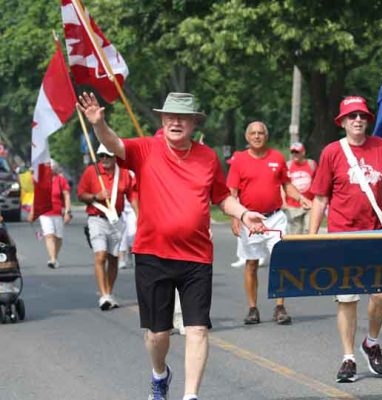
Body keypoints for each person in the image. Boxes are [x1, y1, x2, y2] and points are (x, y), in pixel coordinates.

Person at [77, 91, 266, 400]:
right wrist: (99, 123)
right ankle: (160, 373)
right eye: (170, 117)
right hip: (153, 255)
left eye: (182, 118)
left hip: (196, 257)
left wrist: (244, 214)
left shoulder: (207, 157)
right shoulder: (146, 149)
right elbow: (114, 145)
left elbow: (221, 196)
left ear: (193, 123)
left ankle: (190, 396)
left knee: (197, 329)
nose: (175, 122)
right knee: (157, 335)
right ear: (162, 120)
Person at [308, 96, 382, 383]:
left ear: (367, 121)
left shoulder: (380, 147)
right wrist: (309, 239)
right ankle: (348, 357)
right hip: (343, 236)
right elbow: (320, 199)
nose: (358, 120)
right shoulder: (332, 152)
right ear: (343, 122)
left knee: (381, 294)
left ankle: (371, 342)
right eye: (352, 116)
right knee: (347, 298)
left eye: (362, 116)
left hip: (376, 233)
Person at [227, 121, 311, 325]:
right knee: (252, 263)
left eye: (261, 133)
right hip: (249, 218)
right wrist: (235, 217)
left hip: (275, 217)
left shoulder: (277, 158)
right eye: (253, 133)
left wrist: (300, 198)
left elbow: (286, 184)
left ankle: (280, 307)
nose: (257, 136)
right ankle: (252, 308)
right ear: (247, 137)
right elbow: (232, 192)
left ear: (266, 136)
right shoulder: (239, 160)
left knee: (280, 259)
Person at [77, 144, 137, 311]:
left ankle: (109, 293)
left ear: (115, 156)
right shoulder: (92, 171)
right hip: (96, 219)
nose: (104, 159)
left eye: (108, 155)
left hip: (116, 221)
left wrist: (140, 215)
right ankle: (103, 295)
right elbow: (81, 194)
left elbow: (132, 195)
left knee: (113, 258)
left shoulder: (123, 173)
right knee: (100, 255)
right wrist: (96, 196)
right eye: (101, 155)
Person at [27, 159, 72, 269]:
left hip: (58, 212)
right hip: (44, 213)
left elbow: (66, 195)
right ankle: (52, 259)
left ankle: (54, 256)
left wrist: (68, 211)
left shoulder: (61, 180)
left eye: (51, 167)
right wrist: (33, 212)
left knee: (58, 237)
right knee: (49, 235)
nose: (49, 169)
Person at [283, 141, 317, 234]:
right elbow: (283, 185)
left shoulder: (311, 164)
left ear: (303, 152)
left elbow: (317, 182)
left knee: (310, 232)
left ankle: (309, 248)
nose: (295, 154)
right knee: (295, 234)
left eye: (297, 152)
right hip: (293, 205)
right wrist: (284, 202)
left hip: (310, 204)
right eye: (293, 152)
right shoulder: (288, 166)